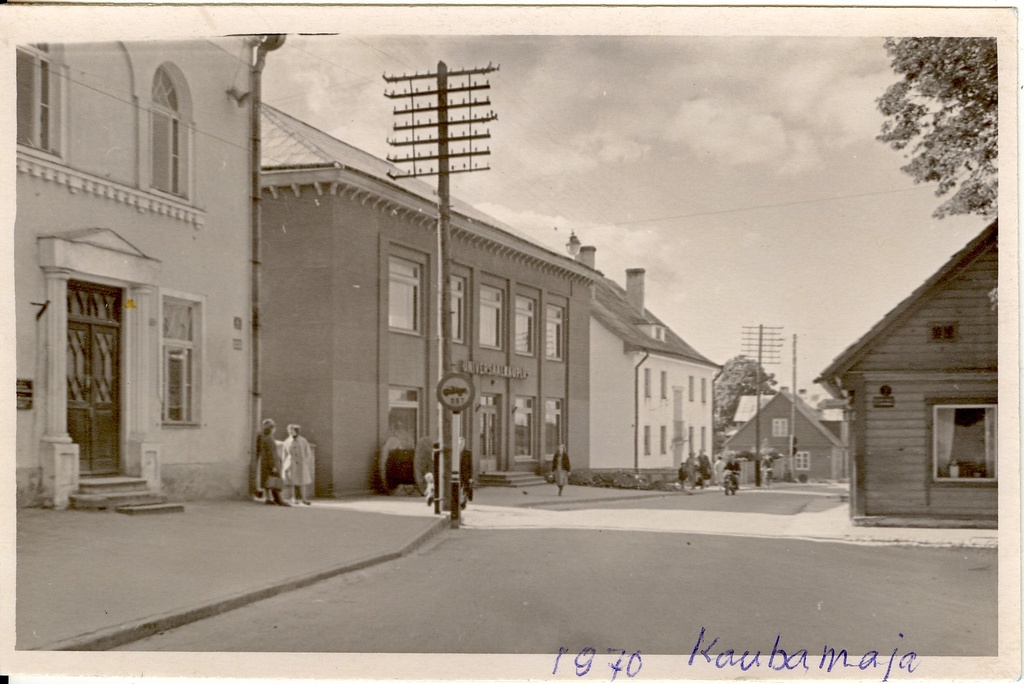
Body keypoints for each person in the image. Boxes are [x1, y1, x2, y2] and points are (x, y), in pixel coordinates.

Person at [256, 419, 288, 506]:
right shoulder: (268, 438)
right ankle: (278, 499)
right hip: (271, 462)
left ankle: (268, 498)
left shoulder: (262, 436)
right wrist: (273, 465)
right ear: (272, 428)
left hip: (265, 462)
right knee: (276, 480)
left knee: (267, 481)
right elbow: (271, 453)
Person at [284, 424, 314, 505]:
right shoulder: (287, 441)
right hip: (292, 463)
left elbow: (308, 452)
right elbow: (285, 453)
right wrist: (285, 464)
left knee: (302, 481)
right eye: (289, 430)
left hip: (302, 463)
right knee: (292, 481)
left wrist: (306, 461)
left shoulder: (303, 440)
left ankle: (304, 498)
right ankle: (293, 498)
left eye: (292, 430)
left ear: (296, 431)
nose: (290, 432)